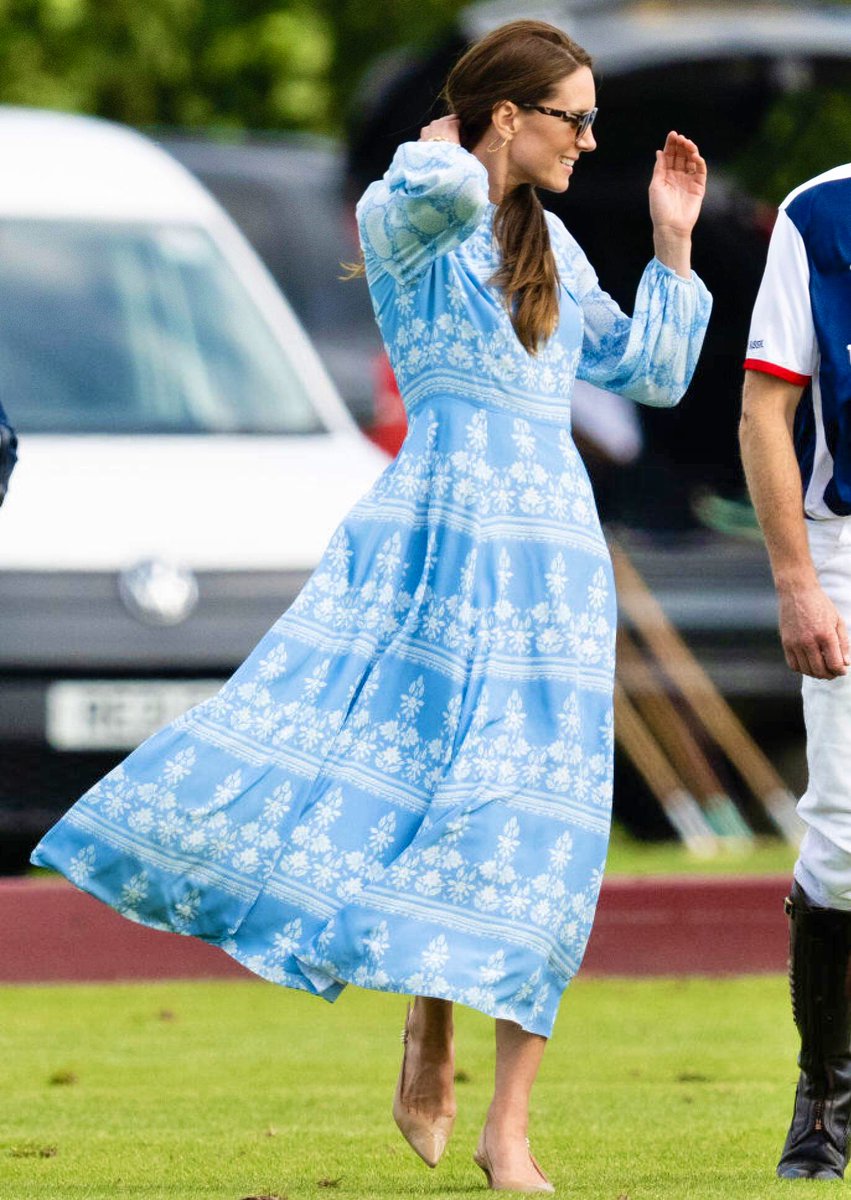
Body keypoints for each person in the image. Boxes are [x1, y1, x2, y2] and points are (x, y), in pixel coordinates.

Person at [31, 20, 711, 1193]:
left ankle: (508, 1130)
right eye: (573, 117)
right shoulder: (412, 210)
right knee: (414, 786)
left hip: (550, 559)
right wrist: (450, 141)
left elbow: (646, 372)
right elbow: (437, 189)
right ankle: (423, 1025)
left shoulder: (551, 243)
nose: (591, 140)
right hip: (439, 538)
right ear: (506, 116)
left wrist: (672, 244)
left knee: (537, 823)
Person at [741, 160, 851, 1181]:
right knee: (845, 836)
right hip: (843, 550)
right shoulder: (816, 212)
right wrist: (792, 582)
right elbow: (764, 409)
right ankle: (824, 1094)